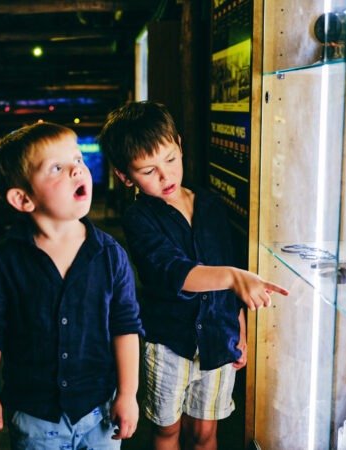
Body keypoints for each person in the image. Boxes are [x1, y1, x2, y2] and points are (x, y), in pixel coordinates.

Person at [97, 101, 289, 450]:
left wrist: (240, 329)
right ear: (125, 177)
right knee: (167, 431)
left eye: (170, 160)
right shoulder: (140, 218)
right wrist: (233, 276)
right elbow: (175, 273)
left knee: (205, 434)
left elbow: (228, 271)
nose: (165, 176)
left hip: (218, 337)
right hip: (169, 342)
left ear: (180, 147)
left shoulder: (211, 205)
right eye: (148, 170)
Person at [0, 121, 144, 449]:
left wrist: (128, 395)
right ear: (23, 199)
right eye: (58, 167)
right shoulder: (4, 263)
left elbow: (125, 328)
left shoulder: (111, 256)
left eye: (78, 160)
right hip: (35, 417)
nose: (78, 171)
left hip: (99, 411)